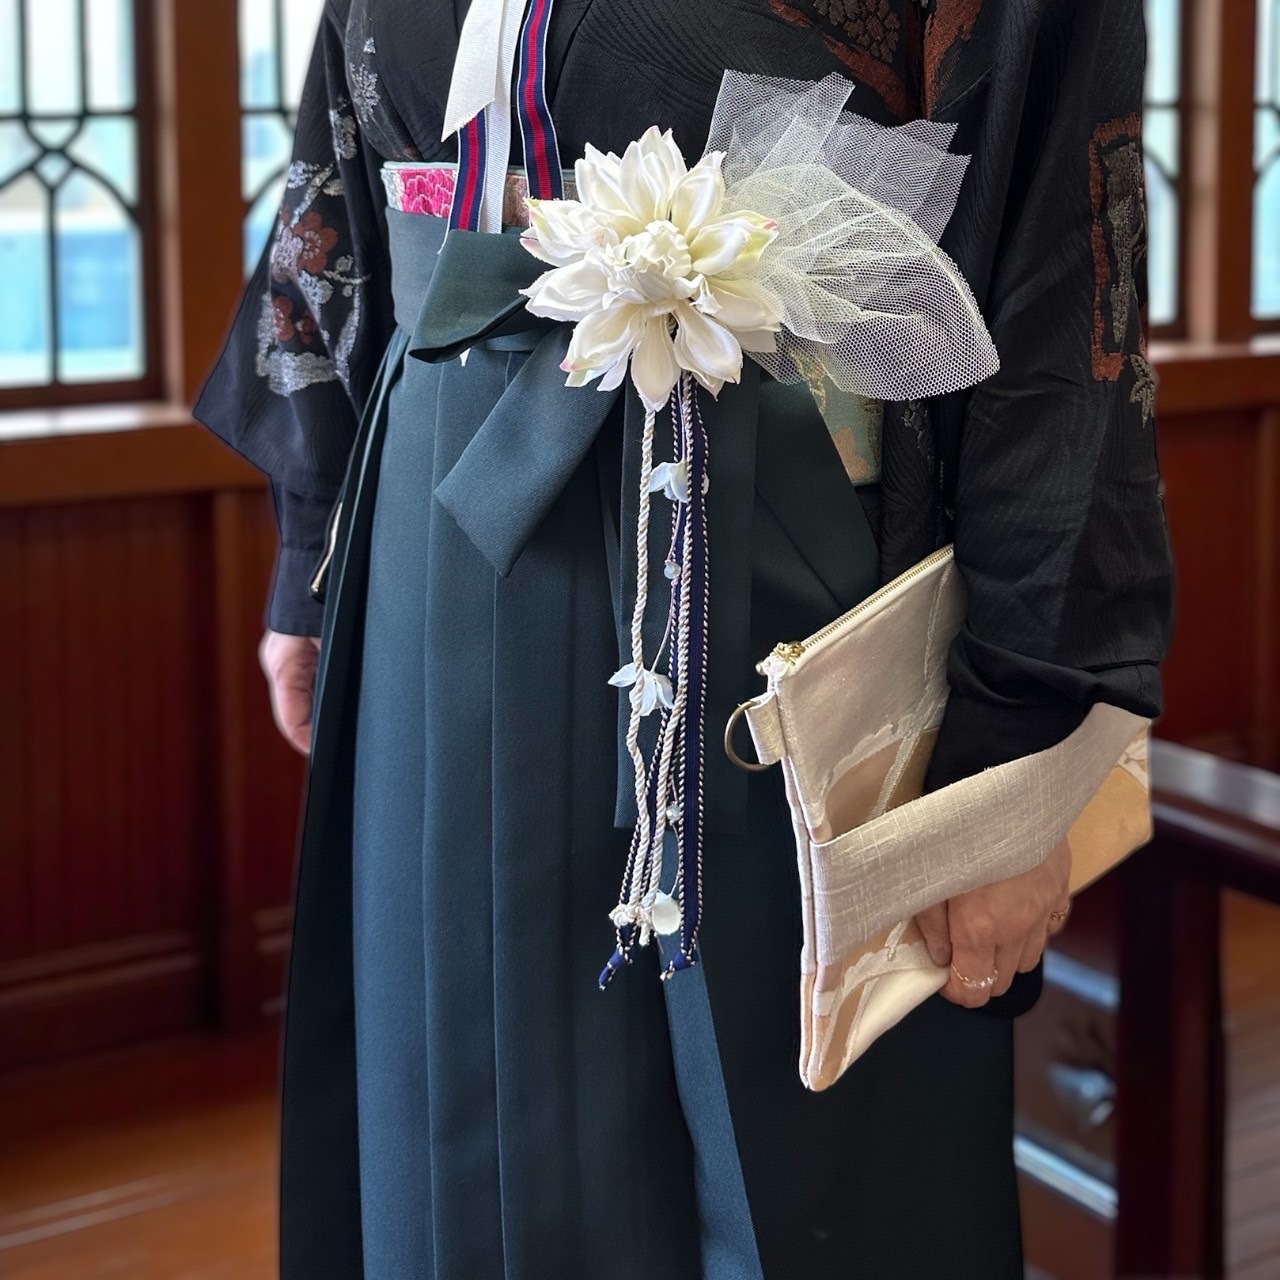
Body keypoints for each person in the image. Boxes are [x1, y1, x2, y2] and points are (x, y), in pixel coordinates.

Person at [196, 2, 1174, 1277]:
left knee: (815, 1156)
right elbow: (343, 148)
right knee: (454, 1126)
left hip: (793, 560)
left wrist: (1011, 761)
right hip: (436, 545)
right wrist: (311, 545)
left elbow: (1060, 272)